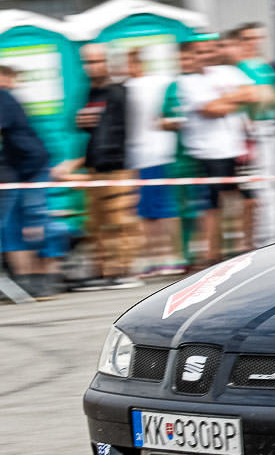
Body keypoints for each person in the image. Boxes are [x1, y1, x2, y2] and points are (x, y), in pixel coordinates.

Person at [53, 44, 142, 288]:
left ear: (108, 62)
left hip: (116, 168)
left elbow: (116, 136)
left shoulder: (118, 92)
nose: (92, 67)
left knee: (119, 222)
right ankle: (104, 272)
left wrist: (90, 170)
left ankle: (122, 271)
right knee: (96, 223)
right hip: (96, 168)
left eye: (97, 61)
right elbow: (93, 133)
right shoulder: (92, 93)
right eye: (88, 62)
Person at [163, 38, 253, 265]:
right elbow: (211, 110)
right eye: (200, 53)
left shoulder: (228, 72)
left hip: (236, 148)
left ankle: (244, 248)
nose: (206, 56)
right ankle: (213, 255)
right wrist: (235, 98)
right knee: (213, 206)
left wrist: (224, 101)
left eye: (209, 51)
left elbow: (253, 94)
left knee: (246, 200)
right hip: (207, 153)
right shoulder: (187, 82)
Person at [123, 47, 180, 273]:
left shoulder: (129, 87)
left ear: (135, 64)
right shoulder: (164, 81)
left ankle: (158, 258)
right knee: (164, 209)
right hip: (165, 152)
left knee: (149, 213)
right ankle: (168, 257)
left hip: (144, 156)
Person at [230, 23, 275, 247]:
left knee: (272, 188)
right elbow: (261, 97)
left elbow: (274, 97)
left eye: (257, 38)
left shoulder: (264, 67)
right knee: (261, 189)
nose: (254, 43)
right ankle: (265, 239)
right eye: (248, 38)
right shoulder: (240, 69)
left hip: (268, 129)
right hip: (255, 132)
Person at [0, 65, 53, 298]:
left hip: (32, 168)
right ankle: (25, 282)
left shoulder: (4, 97)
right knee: (14, 225)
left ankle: (41, 280)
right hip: (20, 169)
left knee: (32, 223)